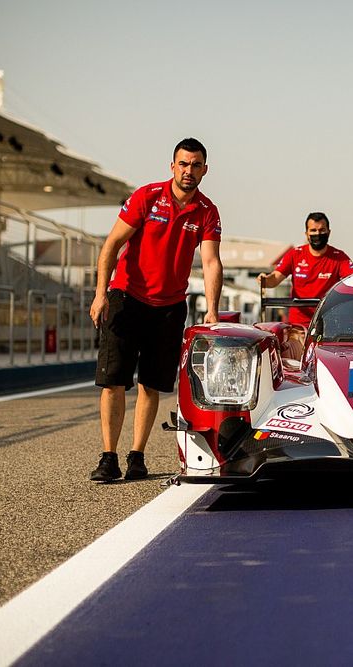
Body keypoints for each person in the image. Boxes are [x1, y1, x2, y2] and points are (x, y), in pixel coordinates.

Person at [88, 138, 223, 482]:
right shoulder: (147, 197)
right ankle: (108, 457)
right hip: (126, 298)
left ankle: (137, 456)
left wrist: (212, 311)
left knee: (150, 385)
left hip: (169, 307)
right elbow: (112, 245)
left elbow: (210, 261)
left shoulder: (207, 211)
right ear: (172, 166)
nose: (188, 171)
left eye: (195, 165)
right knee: (114, 382)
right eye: (183, 164)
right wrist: (100, 294)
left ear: (204, 170)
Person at [258, 212, 353, 328]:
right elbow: (274, 279)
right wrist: (265, 279)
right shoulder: (295, 255)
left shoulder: (339, 257)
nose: (318, 234)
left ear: (329, 232)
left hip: (328, 325)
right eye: (313, 230)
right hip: (298, 327)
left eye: (322, 230)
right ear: (306, 234)